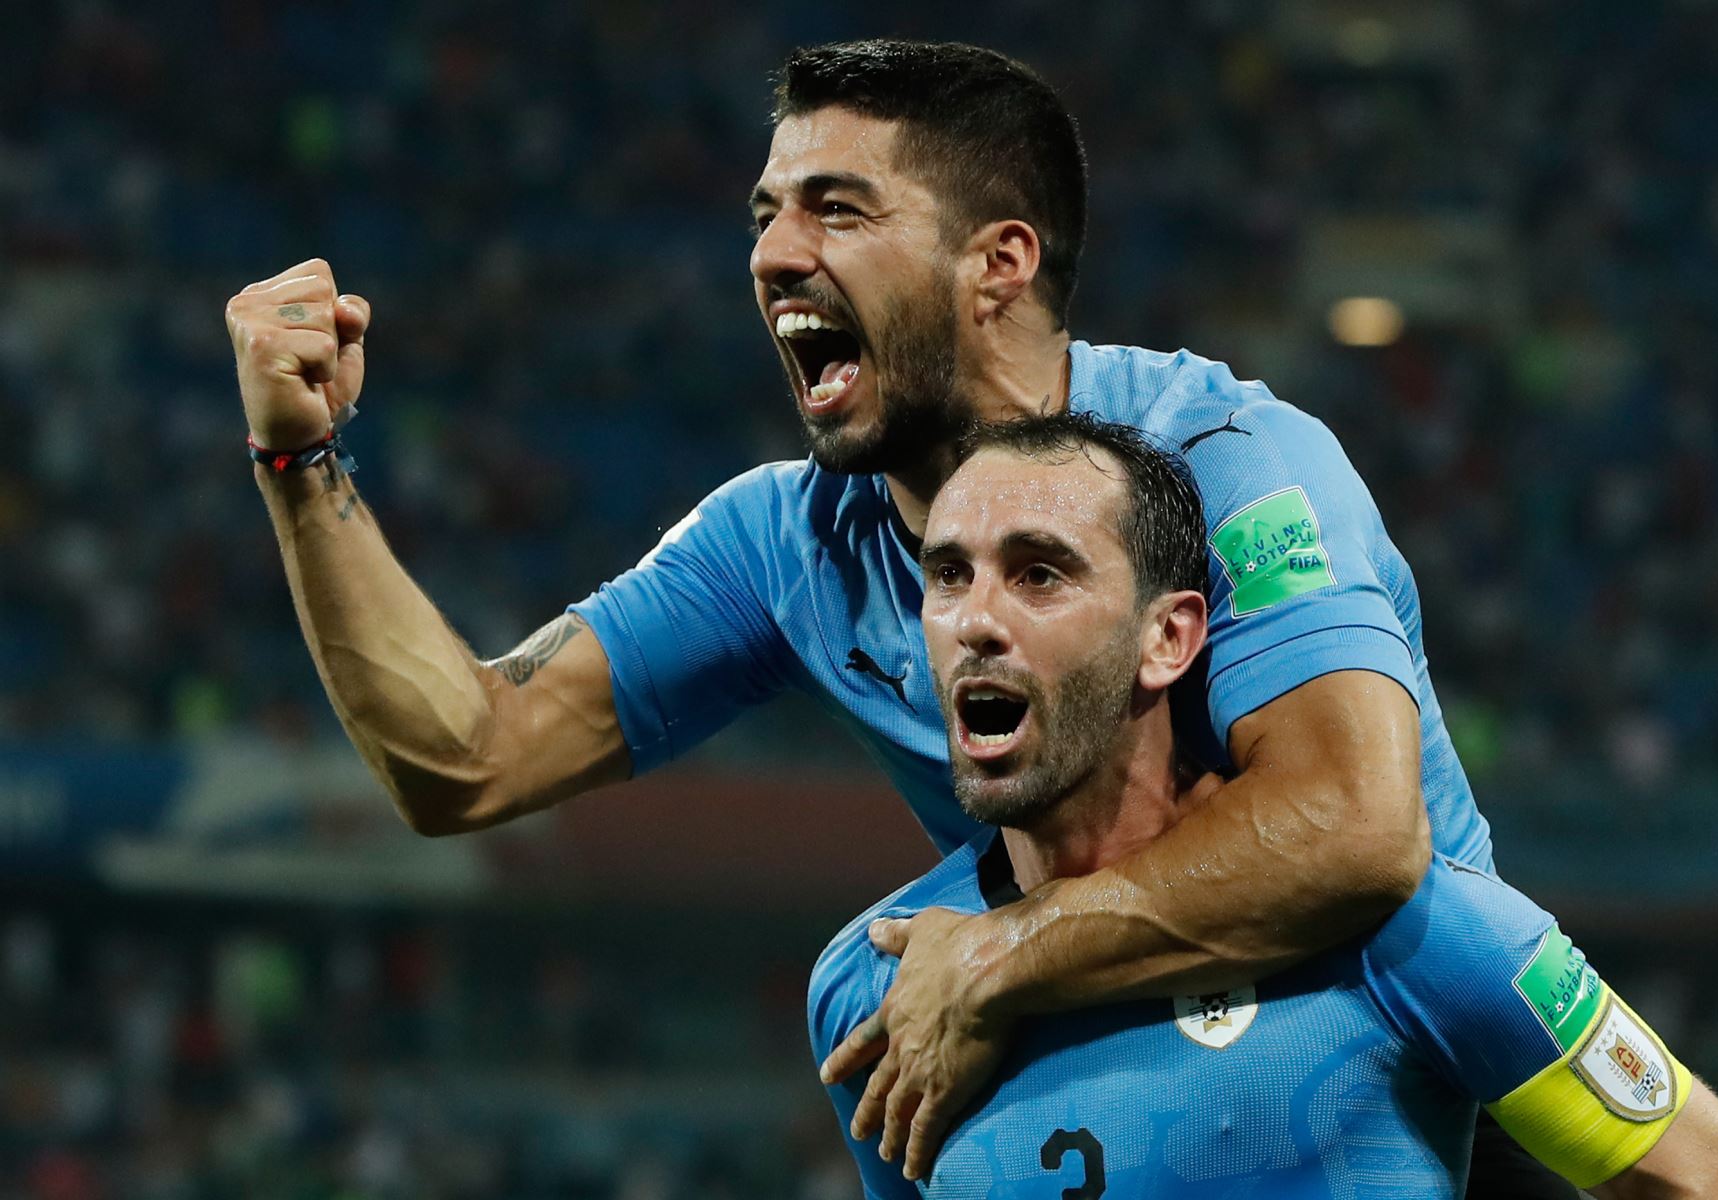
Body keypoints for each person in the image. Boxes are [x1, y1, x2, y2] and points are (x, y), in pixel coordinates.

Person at [227, 38, 1544, 1191]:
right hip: (1158, 1094)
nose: (773, 254)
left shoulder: (1228, 460)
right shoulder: (788, 538)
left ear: (999, 265)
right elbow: (468, 755)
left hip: (1441, 1106)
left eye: (835, 209)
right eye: (765, 214)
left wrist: (997, 961)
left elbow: (1356, 832)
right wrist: (301, 466)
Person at [810, 411, 1718, 1198]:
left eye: (1040, 573)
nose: (977, 619)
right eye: (948, 576)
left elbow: (1714, 1180)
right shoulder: (878, 983)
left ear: (1168, 639)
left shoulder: (1405, 928)